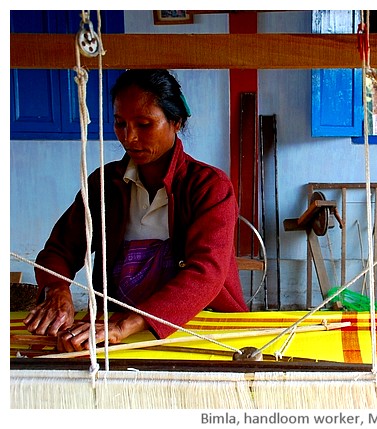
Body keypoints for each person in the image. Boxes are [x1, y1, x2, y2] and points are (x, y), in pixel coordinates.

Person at [24, 69, 248, 352]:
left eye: (144, 124)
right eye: (120, 123)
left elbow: (205, 273)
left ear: (176, 122)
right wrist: (57, 289)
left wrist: (123, 326)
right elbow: (59, 250)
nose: (129, 138)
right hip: (115, 329)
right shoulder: (104, 184)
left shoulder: (209, 186)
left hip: (198, 326)